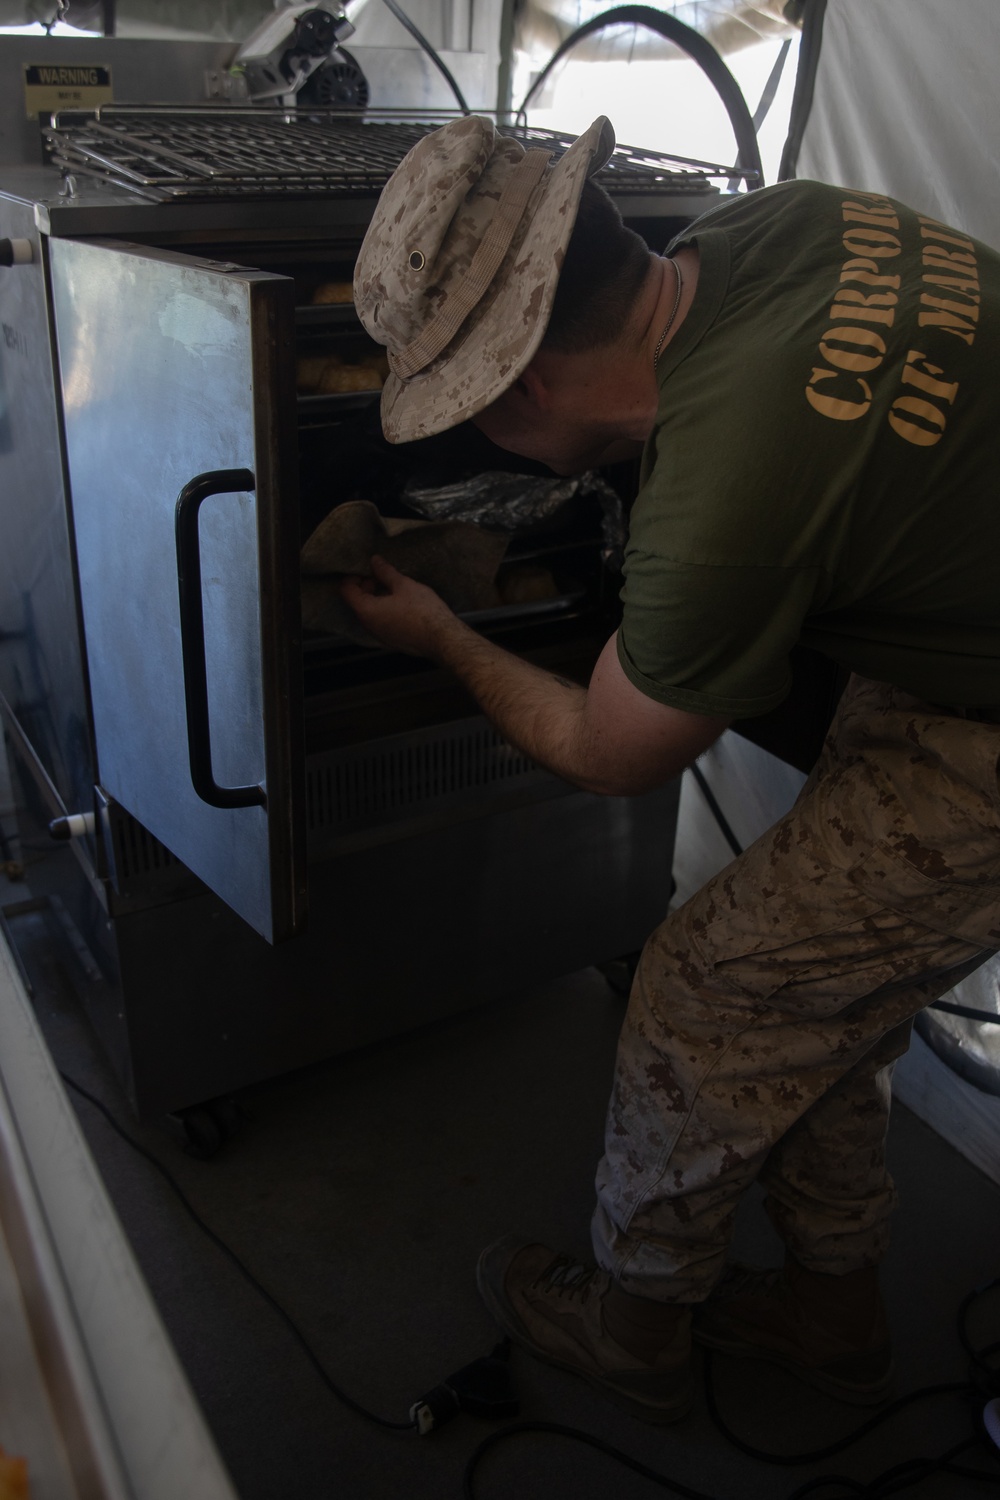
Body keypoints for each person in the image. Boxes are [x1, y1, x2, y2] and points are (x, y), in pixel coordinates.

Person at [342, 113, 1000, 1425]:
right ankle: (832, 1312)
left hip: (979, 729)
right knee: (805, 981)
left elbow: (609, 753)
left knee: (704, 987)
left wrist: (445, 636)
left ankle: (634, 1320)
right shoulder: (780, 222)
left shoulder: (726, 505)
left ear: (517, 391)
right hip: (958, 619)